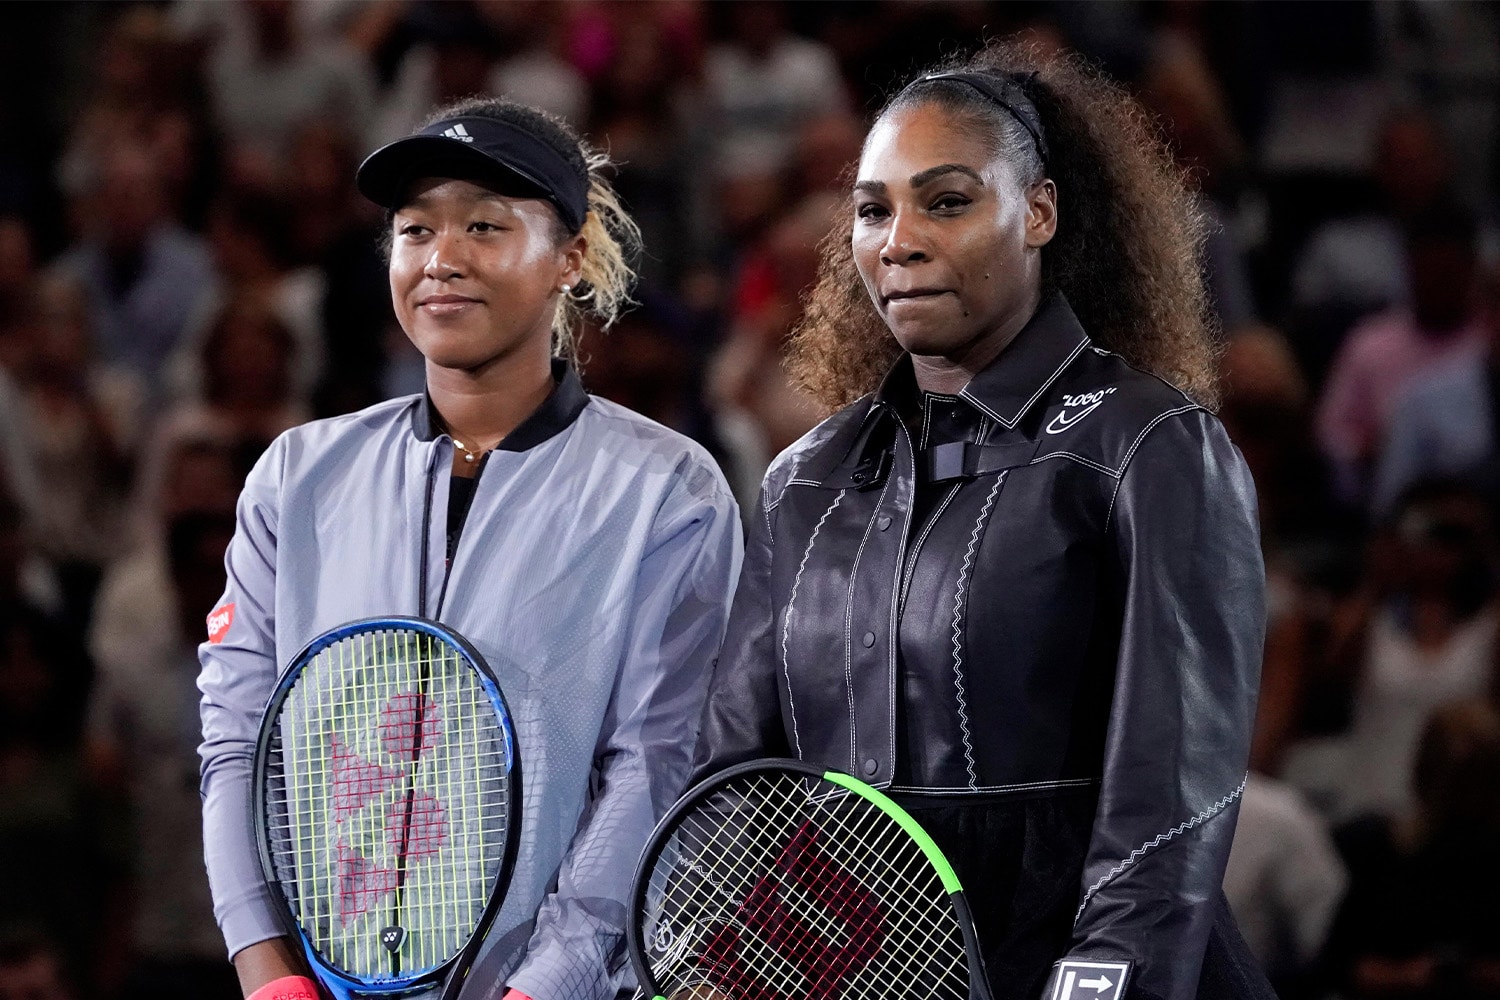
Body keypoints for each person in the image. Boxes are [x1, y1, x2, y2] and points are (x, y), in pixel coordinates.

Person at [694, 40, 1271, 1000]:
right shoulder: (806, 480)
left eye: (948, 202)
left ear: (1039, 212)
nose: (899, 240)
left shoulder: (1150, 445)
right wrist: (713, 959)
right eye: (873, 210)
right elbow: (735, 789)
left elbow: (1171, 808)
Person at [198, 98, 743, 1000]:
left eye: (484, 226)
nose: (441, 259)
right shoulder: (296, 477)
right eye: (416, 230)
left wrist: (547, 986)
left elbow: (655, 768)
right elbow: (236, 738)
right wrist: (266, 969)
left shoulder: (668, 492)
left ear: (569, 257)